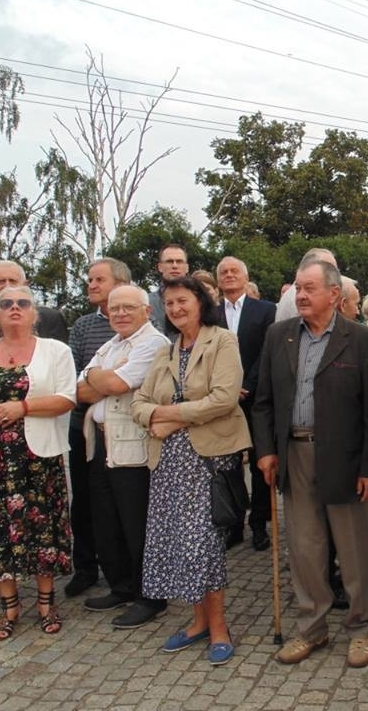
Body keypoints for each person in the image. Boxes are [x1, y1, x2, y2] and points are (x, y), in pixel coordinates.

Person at [253, 259, 368, 668]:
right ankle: (311, 627)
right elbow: (263, 402)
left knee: (352, 547)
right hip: (293, 454)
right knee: (304, 548)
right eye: (298, 288)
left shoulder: (360, 340)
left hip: (344, 458)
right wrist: (265, 450)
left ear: (335, 295)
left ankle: (361, 627)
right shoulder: (278, 336)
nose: (302, 295)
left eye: (310, 288)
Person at [131, 276, 250, 666]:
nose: (176, 309)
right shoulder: (166, 352)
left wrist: (172, 418)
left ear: (200, 302)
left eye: (183, 300)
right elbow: (139, 403)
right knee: (181, 543)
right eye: (169, 304)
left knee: (205, 545)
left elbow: (223, 399)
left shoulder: (223, 341)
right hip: (167, 462)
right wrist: (160, 417)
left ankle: (219, 627)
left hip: (208, 461)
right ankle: (198, 622)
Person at [0, 285, 76, 640]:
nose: (15, 308)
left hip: (38, 457)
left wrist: (22, 407)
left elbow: (67, 397)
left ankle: (46, 603)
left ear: (35, 313)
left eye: (23, 303)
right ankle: (9, 607)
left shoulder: (56, 350)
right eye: (6, 304)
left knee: (42, 528)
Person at [77, 285, 170, 629]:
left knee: (136, 523)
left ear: (146, 311)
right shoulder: (111, 344)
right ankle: (122, 586)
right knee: (107, 520)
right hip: (101, 443)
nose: (119, 313)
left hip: (133, 445)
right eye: (114, 308)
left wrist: (102, 377)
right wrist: (106, 376)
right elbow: (79, 389)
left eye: (128, 307)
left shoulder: (154, 343)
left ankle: (150, 596)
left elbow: (118, 385)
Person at [65, 258, 131, 598]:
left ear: (119, 283)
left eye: (98, 279)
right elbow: (73, 384)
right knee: (85, 502)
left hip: (123, 429)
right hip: (82, 427)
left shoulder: (137, 324)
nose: (90, 284)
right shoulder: (81, 326)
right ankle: (86, 567)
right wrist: (107, 381)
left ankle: (121, 571)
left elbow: (131, 382)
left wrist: (99, 383)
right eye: (89, 279)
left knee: (120, 503)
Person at [216, 256, 276, 551]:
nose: (229, 275)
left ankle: (259, 524)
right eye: (223, 272)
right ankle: (234, 523)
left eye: (234, 271)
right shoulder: (211, 313)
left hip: (256, 398)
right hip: (222, 402)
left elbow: (267, 351)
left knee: (259, 462)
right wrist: (226, 389)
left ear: (245, 275)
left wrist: (246, 386)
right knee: (227, 465)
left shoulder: (265, 310)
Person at [0, 260, 69, 342]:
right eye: (1, 282)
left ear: (25, 284)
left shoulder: (50, 319)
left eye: (13, 281)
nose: (7, 286)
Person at [148, 244, 190, 338]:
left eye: (179, 261)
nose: (175, 266)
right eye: (169, 261)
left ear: (187, 267)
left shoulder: (199, 300)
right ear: (160, 267)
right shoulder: (145, 302)